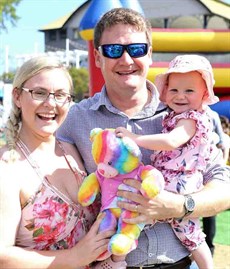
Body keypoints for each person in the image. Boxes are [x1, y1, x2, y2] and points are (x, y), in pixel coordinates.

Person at [56, 8, 230, 269]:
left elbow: (224, 187)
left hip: (179, 262)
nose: (126, 59)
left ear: (149, 53)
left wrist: (179, 205)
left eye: (136, 49)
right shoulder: (75, 119)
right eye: (114, 50)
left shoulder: (185, 112)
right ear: (97, 57)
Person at [0, 56, 120, 269]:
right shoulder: (7, 166)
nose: (50, 104)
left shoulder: (72, 150)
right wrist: (75, 256)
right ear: (17, 96)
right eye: (39, 93)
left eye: (60, 95)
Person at [115, 54, 219, 268]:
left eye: (189, 91)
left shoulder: (192, 119)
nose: (180, 96)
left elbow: (172, 141)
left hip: (179, 183)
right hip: (176, 180)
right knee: (186, 232)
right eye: (174, 90)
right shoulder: (177, 115)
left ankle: (117, 260)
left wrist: (134, 138)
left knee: (142, 214)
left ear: (204, 94)